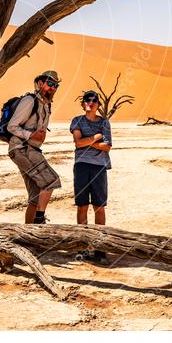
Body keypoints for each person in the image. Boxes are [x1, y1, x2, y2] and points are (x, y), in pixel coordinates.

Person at [7, 70, 62, 224]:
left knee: (35, 196)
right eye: (49, 83)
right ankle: (39, 220)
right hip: (22, 149)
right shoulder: (29, 101)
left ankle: (29, 233)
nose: (52, 87)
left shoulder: (46, 105)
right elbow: (12, 126)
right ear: (40, 83)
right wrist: (30, 136)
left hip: (29, 150)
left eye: (55, 85)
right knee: (51, 181)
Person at [70, 89, 113, 265]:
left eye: (94, 100)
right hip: (81, 166)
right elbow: (78, 142)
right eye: (87, 100)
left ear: (98, 104)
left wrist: (87, 143)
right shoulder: (77, 120)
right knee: (82, 206)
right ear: (83, 104)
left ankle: (100, 247)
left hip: (99, 167)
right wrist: (96, 138)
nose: (91, 102)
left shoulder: (105, 122)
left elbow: (107, 147)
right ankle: (82, 245)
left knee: (99, 206)